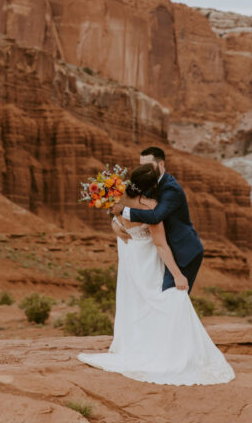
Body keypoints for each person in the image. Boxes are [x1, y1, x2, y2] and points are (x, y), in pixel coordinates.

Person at [77, 163, 234, 385]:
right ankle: (165, 351)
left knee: (137, 303)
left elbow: (119, 230)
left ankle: (139, 346)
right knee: (163, 300)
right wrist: (178, 275)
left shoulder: (116, 201)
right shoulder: (150, 206)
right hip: (149, 259)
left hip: (131, 257)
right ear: (150, 186)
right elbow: (160, 245)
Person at [111, 147, 203, 293]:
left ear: (161, 164)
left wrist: (123, 211)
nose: (144, 169)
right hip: (158, 252)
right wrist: (115, 223)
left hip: (183, 250)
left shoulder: (171, 189)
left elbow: (155, 216)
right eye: (141, 165)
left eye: (148, 165)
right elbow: (121, 204)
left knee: (172, 295)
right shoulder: (144, 182)